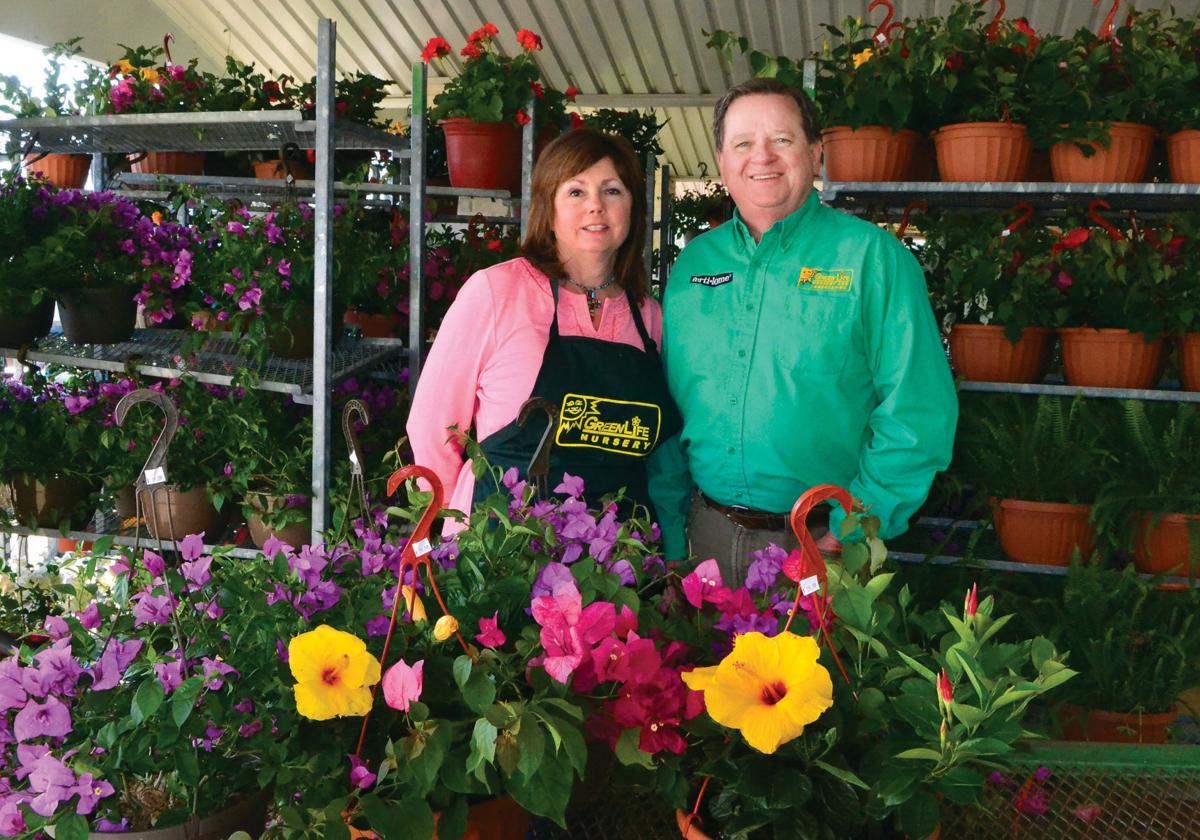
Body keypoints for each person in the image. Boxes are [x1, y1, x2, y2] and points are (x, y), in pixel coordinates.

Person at [650, 77, 958, 585]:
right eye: (743, 143)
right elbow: (670, 404)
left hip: (821, 546)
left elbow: (919, 411)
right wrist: (673, 530)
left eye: (783, 140)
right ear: (722, 160)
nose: (762, 157)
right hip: (703, 539)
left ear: (815, 154)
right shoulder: (694, 263)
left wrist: (848, 534)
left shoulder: (871, 259)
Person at [407, 129, 682, 524]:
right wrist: (456, 529)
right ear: (548, 208)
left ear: (633, 209)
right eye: (575, 192)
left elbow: (660, 453)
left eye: (612, 191)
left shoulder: (648, 317)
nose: (595, 207)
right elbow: (432, 427)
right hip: (502, 556)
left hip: (618, 565)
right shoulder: (497, 292)